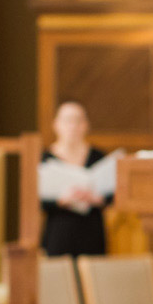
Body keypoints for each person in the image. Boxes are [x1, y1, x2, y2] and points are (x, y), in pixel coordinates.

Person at [39, 101, 112, 257]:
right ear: (56, 124)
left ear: (86, 125)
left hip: (91, 230)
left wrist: (97, 199)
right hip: (59, 232)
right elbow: (35, 201)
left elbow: (113, 194)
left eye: (78, 121)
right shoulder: (45, 159)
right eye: (67, 120)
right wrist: (62, 200)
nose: (72, 126)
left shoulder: (98, 157)